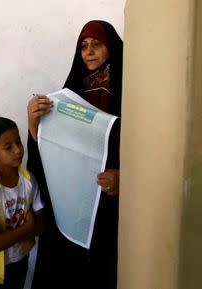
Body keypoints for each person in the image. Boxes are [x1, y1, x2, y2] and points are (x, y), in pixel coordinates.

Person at [26, 20, 122, 289]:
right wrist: (34, 124)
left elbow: (149, 143)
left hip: (110, 205)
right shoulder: (70, 95)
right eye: (83, 46)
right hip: (70, 201)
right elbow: (50, 147)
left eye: (97, 44)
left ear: (111, 47)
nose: (89, 52)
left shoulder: (131, 91)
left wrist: (126, 176)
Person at [0, 116, 44, 289]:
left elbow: (41, 227)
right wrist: (27, 228)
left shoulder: (29, 181)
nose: (18, 150)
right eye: (8, 147)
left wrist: (3, 237)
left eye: (18, 142)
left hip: (20, 259)